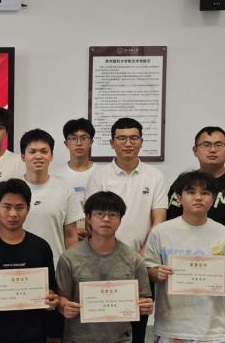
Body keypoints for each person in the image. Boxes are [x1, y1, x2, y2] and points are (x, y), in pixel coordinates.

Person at [166, 126, 225, 343]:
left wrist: (216, 250)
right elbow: (171, 223)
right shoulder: (183, 184)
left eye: (219, 145)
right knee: (187, 328)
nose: (212, 149)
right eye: (206, 145)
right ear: (195, 150)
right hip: (189, 268)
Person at [84, 117, 167, 342]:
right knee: (102, 321)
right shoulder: (99, 176)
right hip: (102, 260)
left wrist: (141, 255)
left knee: (136, 326)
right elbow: (92, 218)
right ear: (112, 143)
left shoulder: (154, 176)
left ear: (142, 141)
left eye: (133, 138)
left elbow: (159, 220)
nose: (128, 143)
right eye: (121, 138)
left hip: (141, 261)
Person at [144, 171, 225, 342]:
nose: (198, 198)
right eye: (191, 192)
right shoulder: (160, 232)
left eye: (205, 193)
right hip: (171, 326)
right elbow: (148, 270)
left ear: (213, 199)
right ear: (179, 197)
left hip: (212, 327)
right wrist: (156, 273)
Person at [0, 179, 60, 343]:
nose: (13, 214)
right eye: (7, 207)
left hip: (32, 335)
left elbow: (51, 289)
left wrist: (51, 299)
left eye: (19, 207)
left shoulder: (40, 247)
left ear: (28, 209)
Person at [56, 192, 154, 343]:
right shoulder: (69, 258)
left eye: (113, 215)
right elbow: (61, 298)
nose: (106, 219)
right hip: (78, 339)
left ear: (120, 220)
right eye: (99, 214)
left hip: (120, 339)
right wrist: (64, 306)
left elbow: (144, 298)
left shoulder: (134, 259)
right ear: (88, 218)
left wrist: (146, 305)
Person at [14, 128, 83, 265]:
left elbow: (71, 235)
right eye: (32, 152)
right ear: (23, 157)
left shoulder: (65, 189)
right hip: (18, 266)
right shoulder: (12, 189)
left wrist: (71, 267)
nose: (38, 156)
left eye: (44, 151)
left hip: (55, 267)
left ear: (51, 156)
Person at [51, 118, 97, 237]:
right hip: (64, 235)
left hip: (96, 235)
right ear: (66, 143)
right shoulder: (54, 175)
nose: (79, 143)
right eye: (73, 138)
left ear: (91, 142)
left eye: (84, 138)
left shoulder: (101, 173)